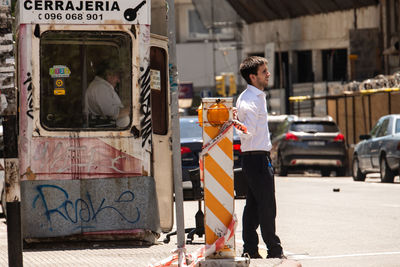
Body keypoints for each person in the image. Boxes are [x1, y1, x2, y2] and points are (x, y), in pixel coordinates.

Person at [236, 56, 284, 259]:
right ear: (253, 77)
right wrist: (240, 124)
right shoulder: (249, 101)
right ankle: (274, 250)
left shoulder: (255, 98)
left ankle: (250, 249)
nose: (268, 74)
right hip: (256, 159)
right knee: (266, 206)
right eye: (264, 71)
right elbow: (248, 132)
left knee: (254, 205)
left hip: (255, 158)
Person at [84, 61, 129, 127]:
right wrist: (134, 109)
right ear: (109, 75)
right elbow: (113, 113)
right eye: (117, 76)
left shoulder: (102, 86)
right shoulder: (100, 88)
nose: (118, 81)